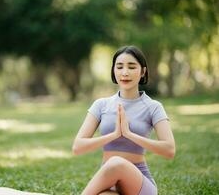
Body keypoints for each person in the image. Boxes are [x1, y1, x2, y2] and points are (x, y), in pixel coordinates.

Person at [72, 45, 175, 195]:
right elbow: (77, 147)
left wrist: (129, 134)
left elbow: (169, 150)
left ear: (143, 72)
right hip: (111, 185)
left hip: (139, 187)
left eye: (132, 67)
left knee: (116, 162)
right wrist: (114, 135)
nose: (125, 72)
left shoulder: (153, 107)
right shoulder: (101, 105)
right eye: (119, 67)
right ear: (114, 70)